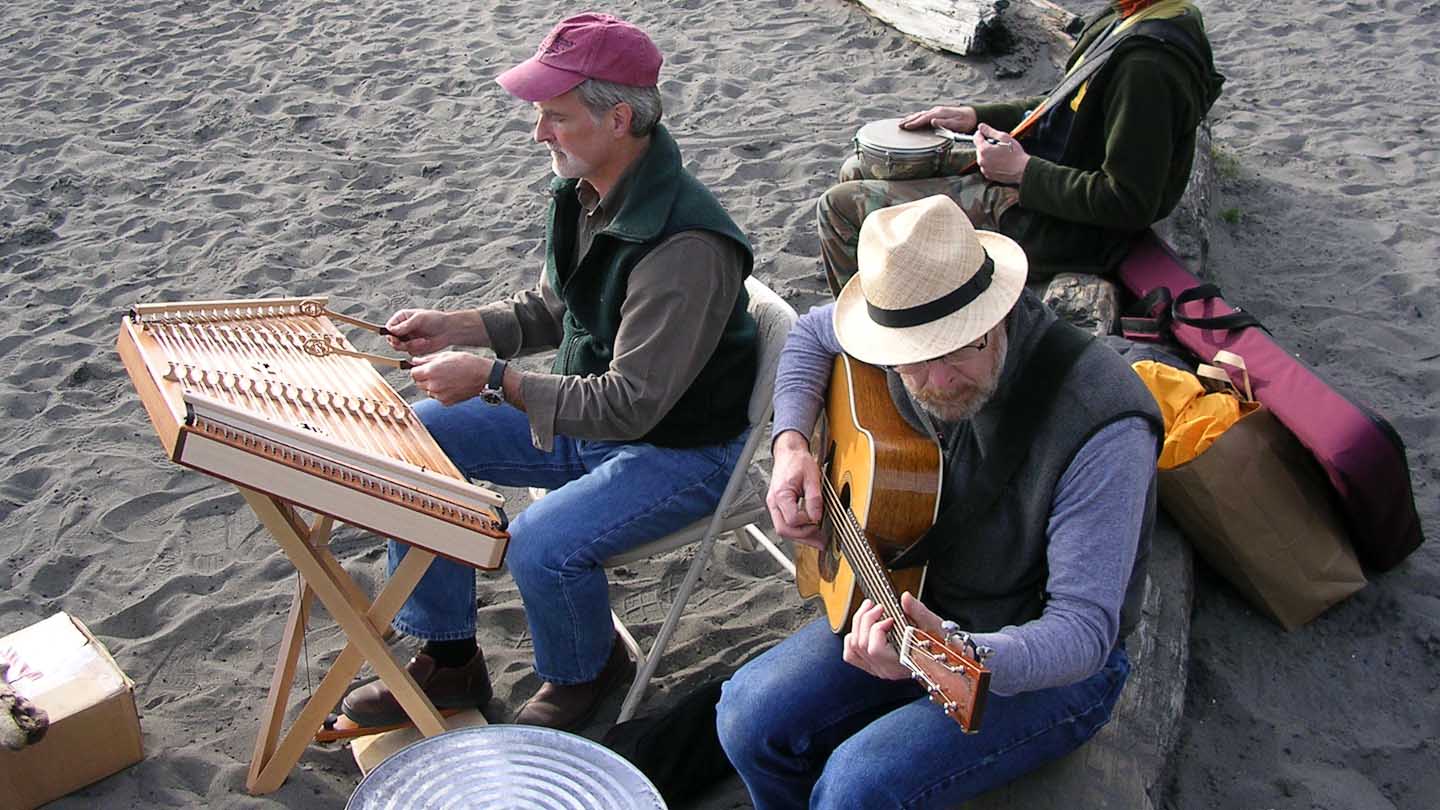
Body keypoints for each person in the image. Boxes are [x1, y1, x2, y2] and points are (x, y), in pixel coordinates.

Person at [340, 12, 758, 732]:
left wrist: (495, 379)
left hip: (687, 447)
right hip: (593, 410)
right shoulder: (584, 186)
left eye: (555, 116)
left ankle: (588, 673)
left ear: (619, 117)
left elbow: (632, 405)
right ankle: (450, 661)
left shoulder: (684, 243)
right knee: (412, 443)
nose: (538, 133)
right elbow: (555, 306)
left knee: (542, 542)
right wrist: (460, 326)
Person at [716, 194, 1164, 808]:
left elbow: (1083, 633)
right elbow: (811, 338)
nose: (940, 380)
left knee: (855, 787)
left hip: (1044, 662)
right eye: (911, 364)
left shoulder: (1102, 421)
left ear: (996, 308)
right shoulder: (887, 334)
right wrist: (792, 445)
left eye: (961, 346)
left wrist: (953, 650)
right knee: (745, 716)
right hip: (916, 594)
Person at [818, 0, 1224, 294]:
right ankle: (906, 293)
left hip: (1066, 228)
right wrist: (975, 114)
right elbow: (1067, 104)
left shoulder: (1146, 68)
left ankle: (879, 343)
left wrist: (1022, 171)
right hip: (1049, 175)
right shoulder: (1130, 16)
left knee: (839, 208)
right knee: (859, 169)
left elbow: (1129, 203)